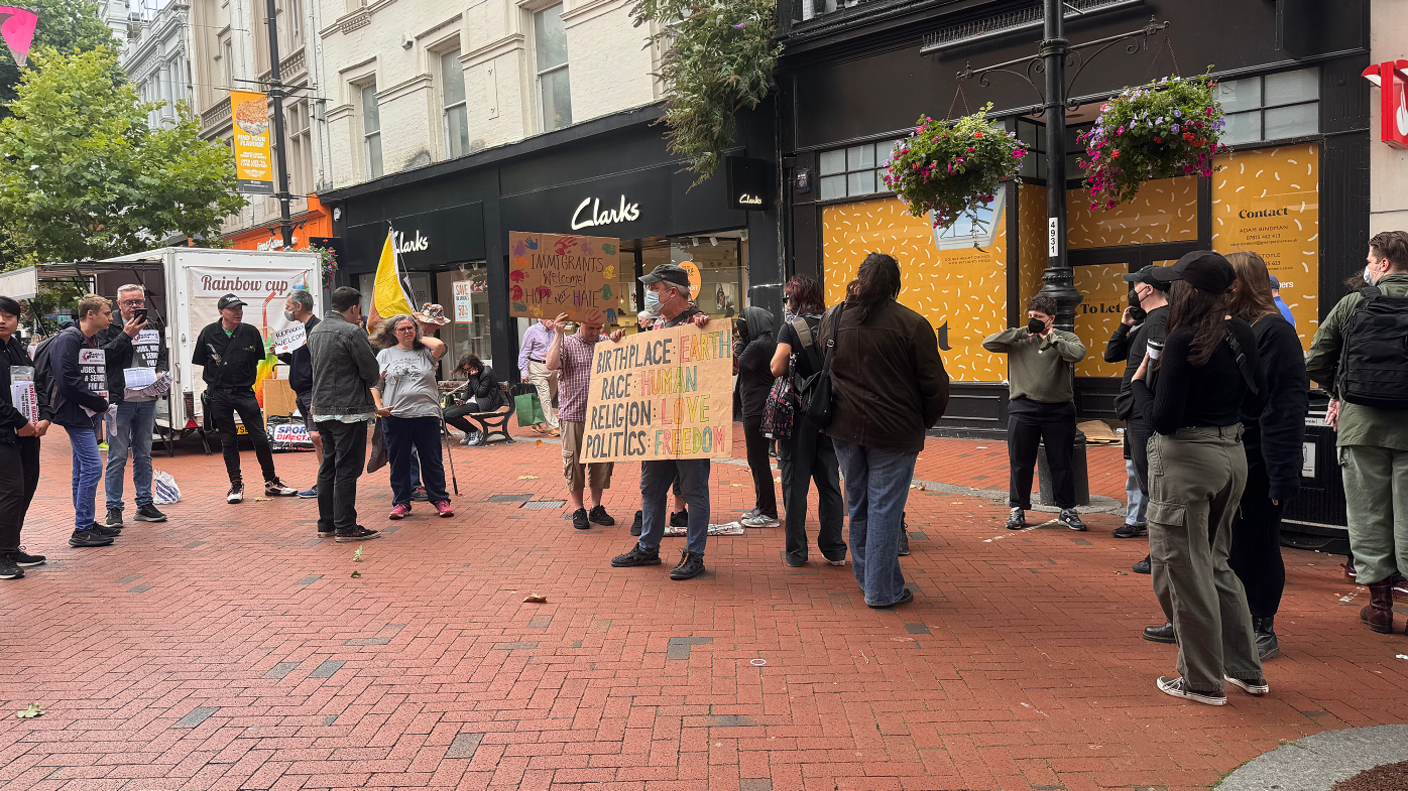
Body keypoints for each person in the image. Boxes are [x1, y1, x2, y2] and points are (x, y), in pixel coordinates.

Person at [1132, 251, 1268, 706]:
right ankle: (1245, 669)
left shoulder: (1182, 339)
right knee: (1216, 564)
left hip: (1186, 460)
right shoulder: (1242, 332)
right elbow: (1258, 398)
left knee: (1184, 572)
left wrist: (1138, 386)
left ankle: (1201, 681)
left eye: (1175, 286)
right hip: (1231, 454)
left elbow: (1163, 419)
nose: (1170, 292)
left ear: (1189, 291)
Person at [822, 253, 949, 607]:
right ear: (894, 285)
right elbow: (934, 383)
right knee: (884, 508)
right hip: (894, 430)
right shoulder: (911, 323)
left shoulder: (833, 318)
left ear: (860, 279)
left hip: (844, 427)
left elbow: (828, 366)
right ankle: (880, 589)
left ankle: (872, 581)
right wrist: (924, 420)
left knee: (860, 504)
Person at [1305, 230, 1408, 635]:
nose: (1366, 267)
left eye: (1369, 260)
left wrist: (1341, 392)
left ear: (1383, 263)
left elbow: (1315, 361)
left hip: (1361, 426)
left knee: (1368, 514)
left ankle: (1380, 605)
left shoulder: (1353, 304)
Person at [1224, 251, 1309, 660]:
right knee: (1232, 542)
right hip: (1231, 453)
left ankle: (1262, 624)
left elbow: (1286, 407)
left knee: (1258, 541)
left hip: (1260, 457)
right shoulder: (1237, 327)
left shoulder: (1274, 331)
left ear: (1238, 285)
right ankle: (1230, 619)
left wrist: (1281, 473)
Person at [610, 263, 714, 580]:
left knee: (694, 492)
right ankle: (648, 548)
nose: (651, 294)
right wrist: (619, 347)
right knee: (651, 488)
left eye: (655, 288)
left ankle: (694, 554)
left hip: (690, 425)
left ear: (672, 292)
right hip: (659, 425)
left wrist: (705, 333)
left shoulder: (703, 324)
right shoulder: (655, 328)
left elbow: (729, 368)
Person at [982, 295, 1088, 531]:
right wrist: (1021, 332)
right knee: (1020, 461)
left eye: (1038, 318)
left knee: (1061, 462)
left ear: (1051, 319)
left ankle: (1067, 509)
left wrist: (1052, 339)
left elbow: (1077, 354)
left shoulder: (1064, 337)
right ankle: (1017, 508)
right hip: (1023, 408)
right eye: (1030, 316)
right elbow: (988, 343)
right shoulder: (1019, 338)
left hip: (1058, 409)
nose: (1033, 321)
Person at [192, 293, 299, 503]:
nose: (238, 312)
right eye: (233, 309)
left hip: (245, 392)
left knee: (260, 438)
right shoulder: (208, 333)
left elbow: (257, 359)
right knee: (228, 440)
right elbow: (201, 362)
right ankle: (235, 485)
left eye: (240, 308)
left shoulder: (250, 332)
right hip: (219, 395)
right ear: (222, 312)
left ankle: (272, 482)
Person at [769, 275, 845, 566]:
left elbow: (777, 367)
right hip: (830, 414)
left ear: (796, 299)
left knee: (795, 485)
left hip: (800, 416)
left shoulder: (791, 328)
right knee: (829, 484)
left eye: (788, 297)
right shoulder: (834, 324)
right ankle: (835, 549)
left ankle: (797, 553)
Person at [1108, 267, 1170, 576]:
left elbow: (1155, 368)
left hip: (1143, 413)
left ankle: (1159, 554)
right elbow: (1111, 354)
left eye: (1137, 285)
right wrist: (1125, 327)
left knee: (1152, 484)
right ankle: (1159, 551)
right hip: (1136, 410)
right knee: (1147, 482)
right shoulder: (1147, 322)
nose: (1133, 290)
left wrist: (1141, 396)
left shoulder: (1160, 320)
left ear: (1150, 290)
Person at [308, 286, 382, 542]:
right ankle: (346, 526)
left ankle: (327, 523)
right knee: (347, 468)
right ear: (354, 308)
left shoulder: (316, 330)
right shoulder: (352, 331)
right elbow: (371, 372)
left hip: (322, 409)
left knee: (329, 466)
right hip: (348, 410)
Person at [96, 283, 169, 529]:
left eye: (139, 301)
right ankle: (113, 508)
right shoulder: (109, 326)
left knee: (143, 454)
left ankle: (145, 504)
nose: (135, 306)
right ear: (119, 304)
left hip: (146, 398)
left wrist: (160, 371)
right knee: (117, 455)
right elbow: (102, 357)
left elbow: (161, 353)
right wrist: (126, 335)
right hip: (120, 400)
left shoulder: (152, 324)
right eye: (129, 302)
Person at [50, 295, 120, 548]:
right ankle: (81, 529)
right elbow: (67, 379)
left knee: (82, 469)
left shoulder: (92, 339)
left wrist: (99, 403)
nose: (111, 318)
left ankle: (86, 523)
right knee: (92, 467)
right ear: (90, 314)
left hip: (89, 411)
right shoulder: (69, 339)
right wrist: (98, 403)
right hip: (76, 412)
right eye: (106, 313)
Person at [546, 311, 625, 530]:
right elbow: (551, 365)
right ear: (580, 324)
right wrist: (558, 334)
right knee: (575, 464)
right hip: (574, 414)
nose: (595, 332)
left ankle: (596, 507)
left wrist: (619, 341)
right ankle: (578, 508)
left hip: (602, 415)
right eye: (591, 328)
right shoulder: (568, 343)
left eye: (599, 328)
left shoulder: (606, 341)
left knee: (601, 463)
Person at [372, 313, 453, 520]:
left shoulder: (426, 352)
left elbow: (439, 345)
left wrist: (418, 336)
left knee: (432, 459)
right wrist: (378, 407)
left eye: (411, 328)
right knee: (399, 461)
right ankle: (401, 502)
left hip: (426, 413)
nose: (407, 332)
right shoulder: (385, 355)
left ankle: (440, 500)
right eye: (402, 329)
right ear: (393, 333)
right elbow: (375, 384)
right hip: (396, 415)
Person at [0, 296, 49, 578]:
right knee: (11, 491)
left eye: (8, 315)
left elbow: (36, 383)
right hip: (5, 433)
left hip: (28, 432)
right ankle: (3, 554)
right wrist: (19, 421)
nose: (2, 320)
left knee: (27, 487)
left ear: (18, 320)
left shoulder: (18, 350)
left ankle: (11, 545)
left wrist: (44, 417)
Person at [736, 306, 779, 529]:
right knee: (757, 460)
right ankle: (762, 506)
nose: (740, 326)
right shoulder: (766, 341)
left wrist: (739, 344)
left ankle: (769, 512)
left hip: (756, 408)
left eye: (743, 322)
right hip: (758, 406)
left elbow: (735, 367)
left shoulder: (758, 345)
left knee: (758, 460)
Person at [277, 287, 321, 498]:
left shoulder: (316, 330)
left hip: (312, 391)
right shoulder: (300, 331)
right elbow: (300, 361)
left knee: (317, 436)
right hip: (301, 391)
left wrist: (318, 395)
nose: (287, 311)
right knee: (316, 437)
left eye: (288, 307)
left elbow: (319, 364)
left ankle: (326, 481)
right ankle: (325, 480)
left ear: (298, 306)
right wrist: (282, 354)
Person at [443, 354, 507, 445]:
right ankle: (469, 432)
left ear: (475, 365)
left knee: (451, 415)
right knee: (444, 413)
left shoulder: (487, 372)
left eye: (468, 369)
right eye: (465, 370)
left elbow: (481, 393)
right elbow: (469, 391)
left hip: (485, 402)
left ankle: (474, 431)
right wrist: (463, 399)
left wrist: (473, 378)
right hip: (473, 401)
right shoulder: (472, 374)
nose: (467, 372)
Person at [518, 315, 560, 436]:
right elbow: (524, 352)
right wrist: (524, 371)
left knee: (548, 397)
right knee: (545, 397)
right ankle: (553, 425)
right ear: (542, 318)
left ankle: (536, 423)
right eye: (550, 319)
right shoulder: (532, 331)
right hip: (537, 366)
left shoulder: (557, 330)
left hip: (554, 367)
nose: (552, 322)